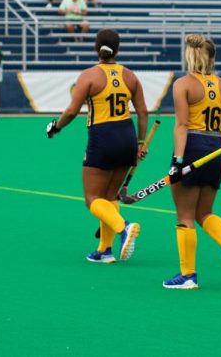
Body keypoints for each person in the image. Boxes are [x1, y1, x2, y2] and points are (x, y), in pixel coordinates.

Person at [46, 29, 148, 265]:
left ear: (96, 48)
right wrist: (140, 143)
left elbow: (72, 111)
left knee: (92, 198)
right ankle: (105, 250)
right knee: (109, 196)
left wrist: (55, 127)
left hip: (103, 137)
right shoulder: (130, 76)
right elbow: (142, 113)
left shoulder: (89, 76)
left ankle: (124, 228)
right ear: (118, 49)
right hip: (127, 134)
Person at [163, 35, 221, 289]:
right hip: (216, 149)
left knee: (186, 215)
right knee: (205, 212)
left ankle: (188, 275)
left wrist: (178, 162)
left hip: (191, 147)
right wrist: (209, 145)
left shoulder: (183, 84)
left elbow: (180, 125)